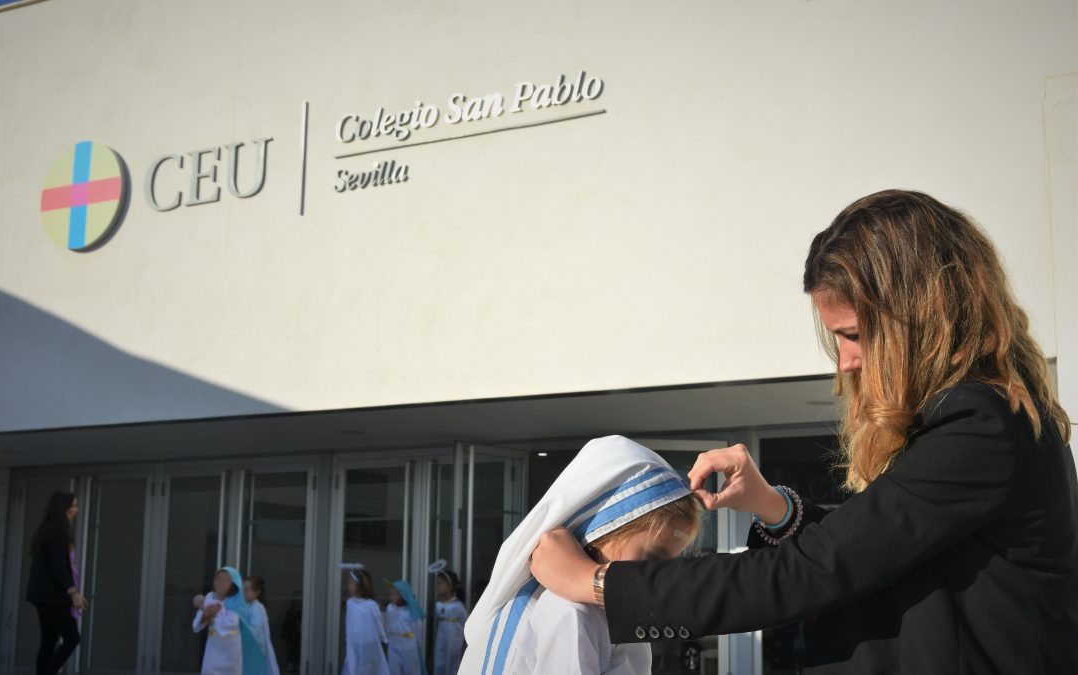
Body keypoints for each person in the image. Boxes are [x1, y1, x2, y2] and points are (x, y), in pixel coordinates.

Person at [529, 189, 1078, 674]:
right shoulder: (981, 420)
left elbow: (811, 573)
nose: (844, 362)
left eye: (856, 335)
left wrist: (595, 584)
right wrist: (775, 507)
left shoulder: (980, 427)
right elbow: (876, 551)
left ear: (922, 317)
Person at [459, 435, 702, 675]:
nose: (663, 572)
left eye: (672, 560)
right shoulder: (572, 612)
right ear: (601, 533)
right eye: (654, 555)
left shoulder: (605, 609)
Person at [26, 490, 87, 675]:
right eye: (74, 506)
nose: (76, 510)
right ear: (64, 509)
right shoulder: (57, 532)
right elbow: (59, 566)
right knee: (72, 638)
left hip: (43, 596)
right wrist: (73, 592)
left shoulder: (48, 530)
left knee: (48, 642)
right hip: (52, 596)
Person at [192, 567, 269, 675]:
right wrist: (206, 614)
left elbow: (231, 623)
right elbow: (196, 625)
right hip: (213, 649)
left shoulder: (237, 602)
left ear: (233, 584)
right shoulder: (210, 597)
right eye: (217, 579)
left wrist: (211, 616)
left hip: (231, 653)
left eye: (225, 580)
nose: (220, 583)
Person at [341, 565, 389, 675]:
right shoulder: (350, 603)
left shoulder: (371, 605)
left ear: (360, 585)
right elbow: (349, 623)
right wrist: (349, 639)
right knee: (352, 667)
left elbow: (379, 623)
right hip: (354, 644)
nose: (348, 586)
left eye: (351, 583)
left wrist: (384, 638)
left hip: (368, 646)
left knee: (366, 669)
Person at [383, 580, 426, 675]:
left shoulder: (411, 612)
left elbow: (418, 629)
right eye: (390, 594)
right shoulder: (389, 608)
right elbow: (388, 625)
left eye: (394, 594)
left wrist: (417, 645)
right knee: (394, 669)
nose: (391, 597)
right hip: (393, 646)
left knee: (411, 670)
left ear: (403, 595)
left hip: (408, 647)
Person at [431, 568, 467, 675]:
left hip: (454, 640)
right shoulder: (438, 605)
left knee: (452, 664)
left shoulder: (458, 606)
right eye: (437, 583)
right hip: (441, 639)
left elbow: (465, 623)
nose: (438, 586)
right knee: (439, 662)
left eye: (441, 583)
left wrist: (465, 643)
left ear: (449, 586)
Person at [245, 576, 282, 675]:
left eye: (247, 590)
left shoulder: (257, 608)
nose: (243, 593)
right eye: (242, 590)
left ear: (257, 592)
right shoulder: (246, 606)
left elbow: (254, 631)